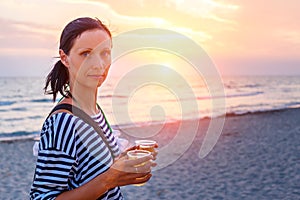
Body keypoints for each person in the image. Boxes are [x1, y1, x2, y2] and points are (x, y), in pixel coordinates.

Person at [30, 17, 157, 200]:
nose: (99, 64)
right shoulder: (63, 123)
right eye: (86, 53)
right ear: (65, 58)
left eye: (105, 52)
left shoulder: (94, 110)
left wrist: (125, 159)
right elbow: (41, 197)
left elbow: (88, 171)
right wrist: (110, 179)